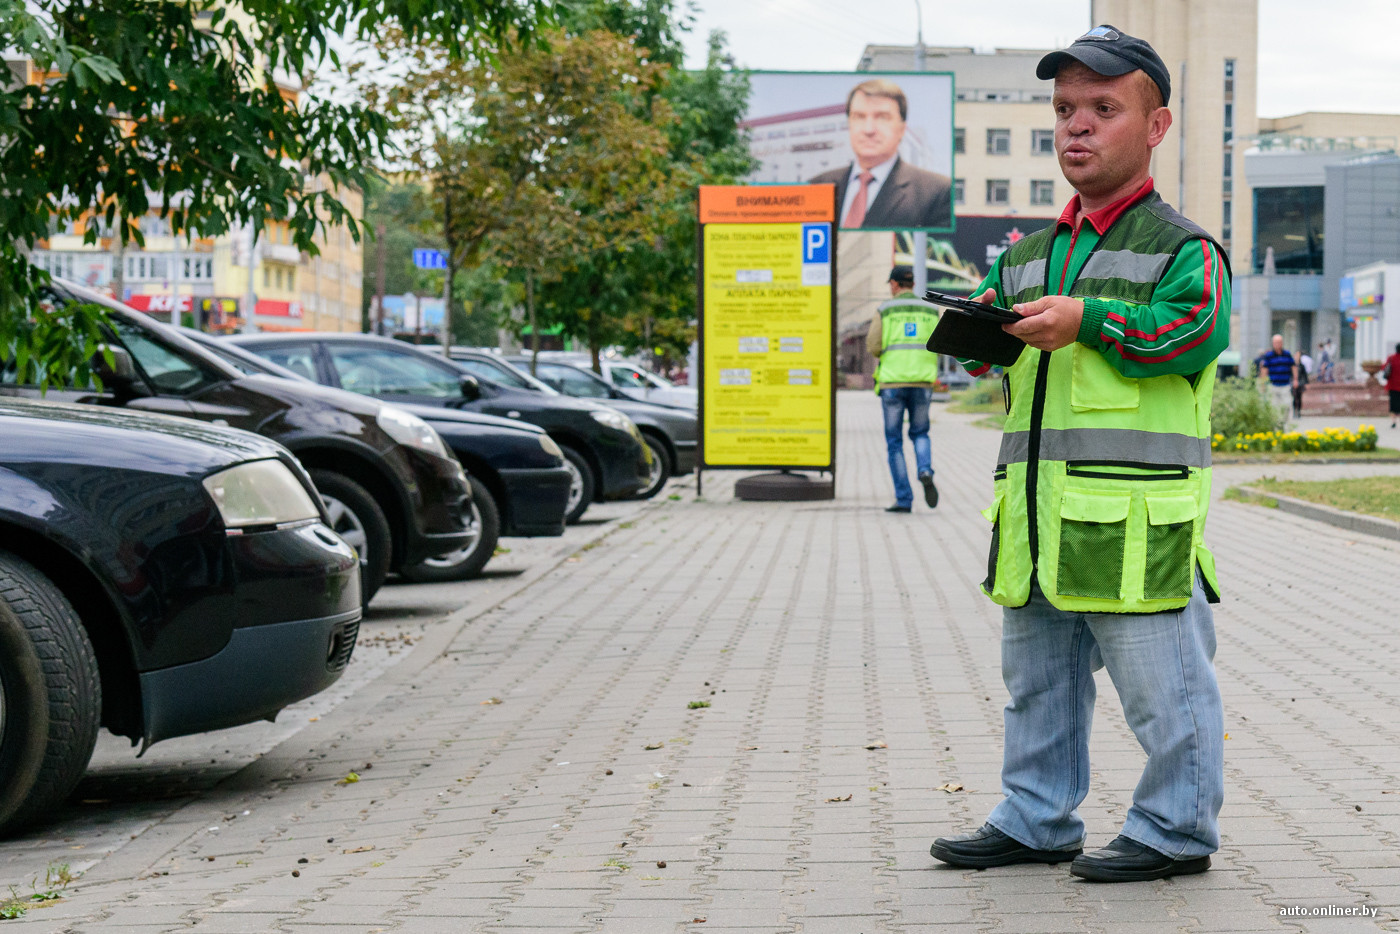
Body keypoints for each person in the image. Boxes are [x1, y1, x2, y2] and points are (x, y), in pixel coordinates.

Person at [927, 24, 1231, 883]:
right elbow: (995, 340)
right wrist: (971, 325)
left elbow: (1192, 330)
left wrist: (1087, 320)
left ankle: (1176, 829)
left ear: (1157, 127)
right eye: (1065, 109)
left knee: (1165, 697)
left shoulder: (1184, 248)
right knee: (1040, 691)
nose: (1078, 126)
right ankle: (1035, 818)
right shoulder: (1028, 255)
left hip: (1135, 526)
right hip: (1036, 522)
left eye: (1103, 108)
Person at [810, 79, 953, 230]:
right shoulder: (816, 187)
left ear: (902, 129)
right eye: (859, 117)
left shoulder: (937, 193)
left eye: (882, 117)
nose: (869, 129)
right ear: (849, 125)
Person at [866, 266, 939, 512]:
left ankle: (904, 499)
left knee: (894, 441)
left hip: (893, 383)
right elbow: (939, 341)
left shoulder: (885, 310)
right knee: (920, 433)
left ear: (895, 285)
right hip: (922, 381)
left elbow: (874, 345)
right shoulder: (930, 309)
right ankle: (925, 469)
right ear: (913, 283)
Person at [1258, 334, 1297, 418]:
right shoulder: (1269, 355)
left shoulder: (1287, 354)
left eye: (1279, 342)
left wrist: (1295, 379)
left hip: (1285, 384)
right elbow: (1264, 370)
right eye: (1275, 342)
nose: (1277, 344)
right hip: (1273, 384)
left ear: (1282, 343)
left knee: (1287, 405)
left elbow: (1293, 366)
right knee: (1274, 407)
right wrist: (1263, 383)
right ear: (1273, 343)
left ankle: (1286, 424)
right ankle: (1276, 426)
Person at [1385, 343, 1400, 429]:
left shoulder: (1391, 358)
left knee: (1393, 405)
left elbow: (1384, 367)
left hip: (1393, 386)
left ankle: (1393, 421)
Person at [1293, 349, 1312, 418]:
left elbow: (1305, 375)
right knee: (1294, 398)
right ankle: (1294, 411)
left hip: (1300, 383)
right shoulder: (1292, 365)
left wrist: (1306, 383)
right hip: (1293, 384)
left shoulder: (1302, 366)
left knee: (1299, 397)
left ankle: (1298, 411)